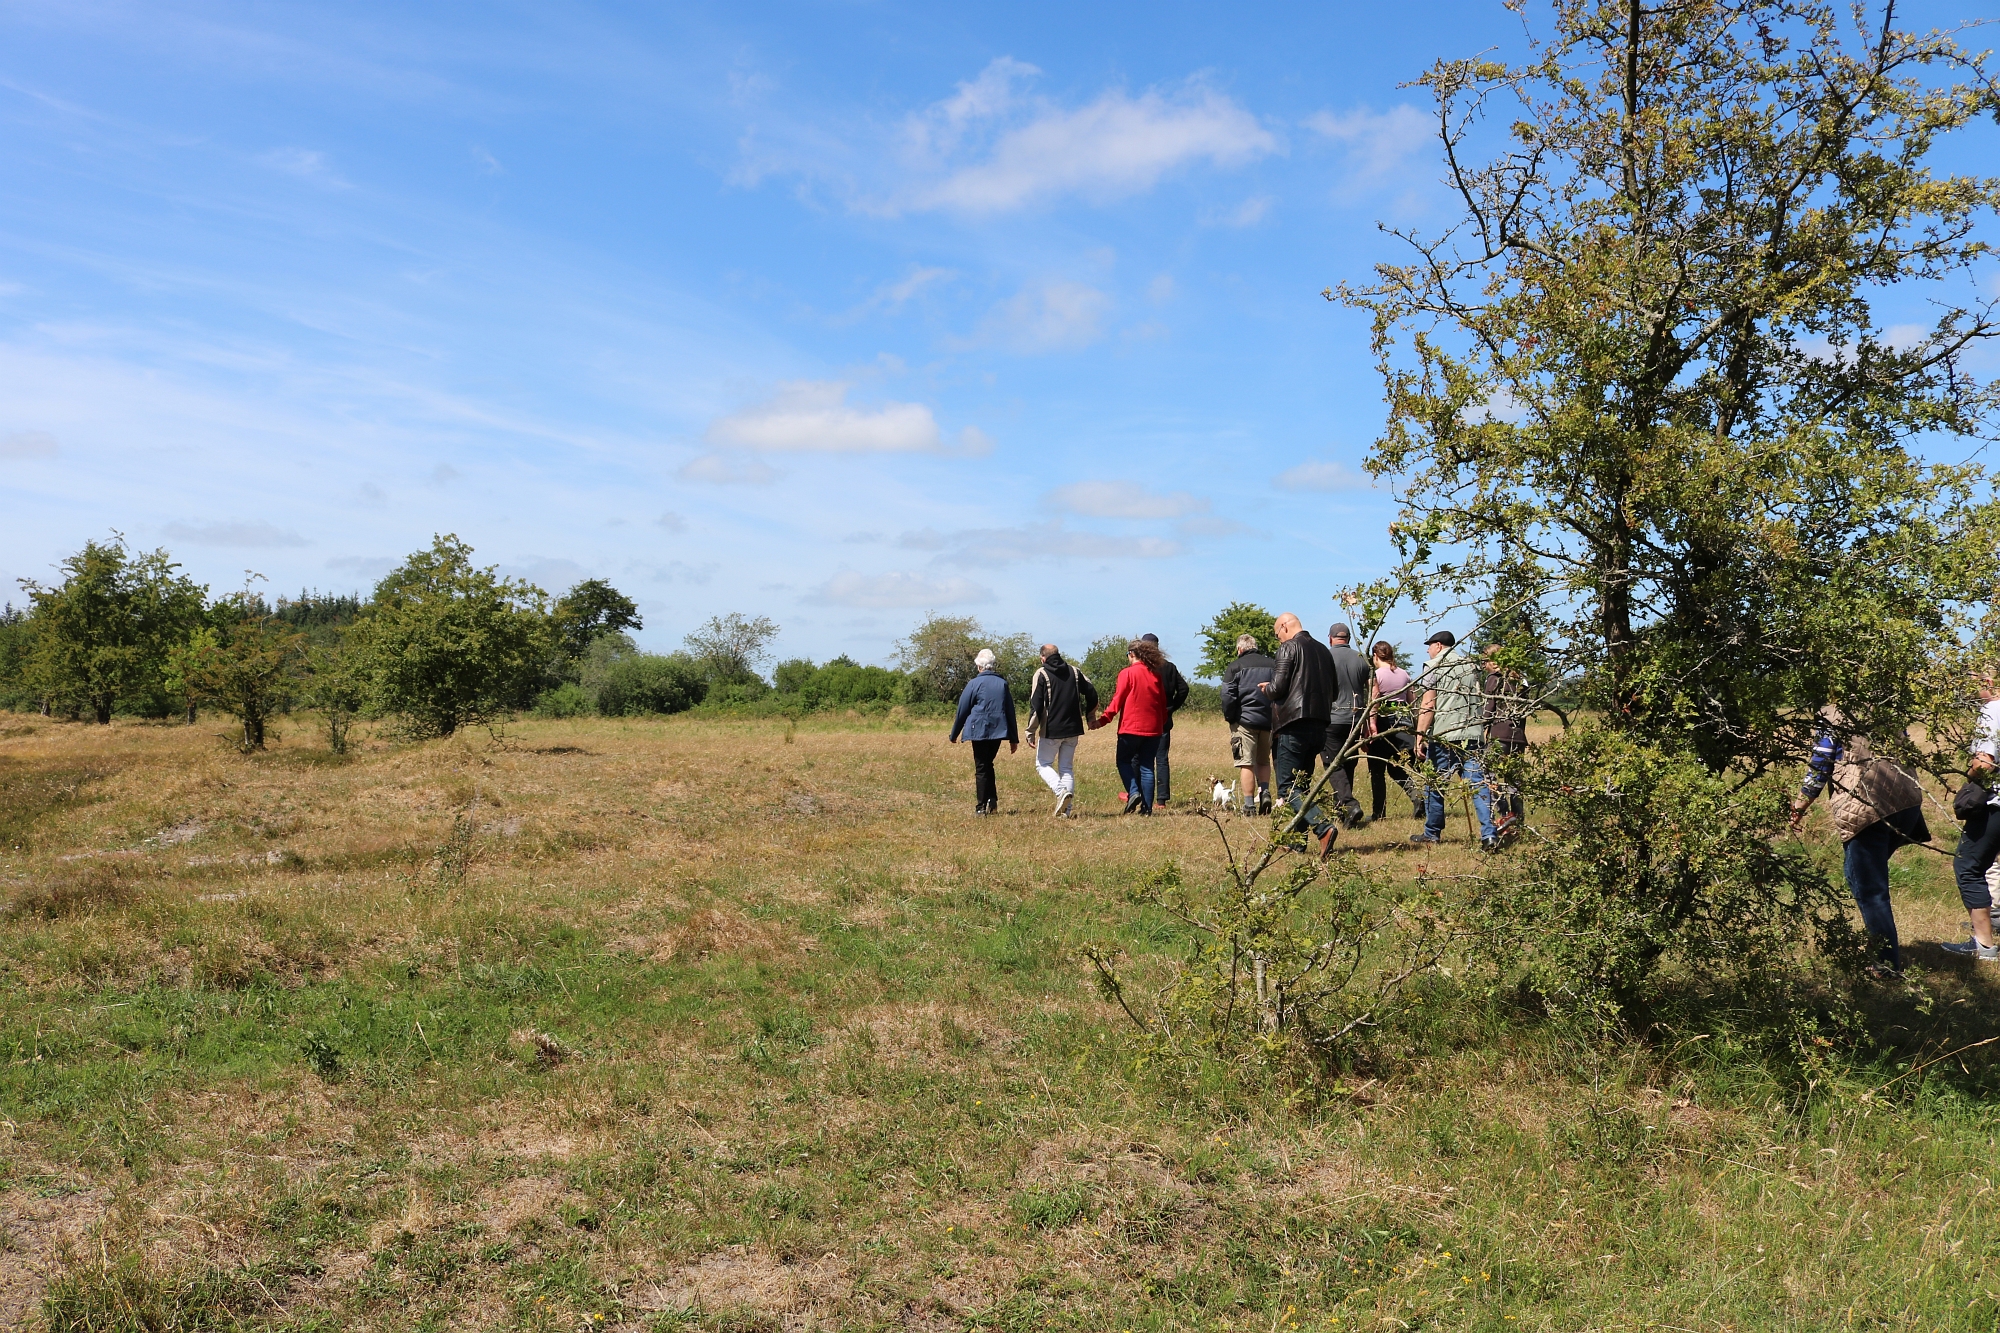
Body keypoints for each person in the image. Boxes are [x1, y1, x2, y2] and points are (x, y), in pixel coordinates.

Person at [1788, 714, 1927, 972]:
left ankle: (1886, 964)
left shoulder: (1833, 713)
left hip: (1867, 808)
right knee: (1860, 878)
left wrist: (1799, 806)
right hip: (1906, 801)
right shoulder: (1885, 700)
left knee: (1870, 889)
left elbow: (1821, 763)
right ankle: (1881, 945)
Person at [1409, 630, 1497, 850]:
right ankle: (1489, 835)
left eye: (1429, 646)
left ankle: (1432, 833)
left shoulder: (1433, 667)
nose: (1428, 651)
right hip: (1473, 734)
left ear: (1438, 646)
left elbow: (1428, 704)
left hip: (1445, 735)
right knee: (1478, 786)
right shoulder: (1471, 666)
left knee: (1435, 786)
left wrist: (1419, 736)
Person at [1261, 611, 1339, 858]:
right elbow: (1334, 691)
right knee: (1302, 786)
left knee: (1288, 788)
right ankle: (1297, 842)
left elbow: (1278, 687)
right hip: (1319, 726)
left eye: (1277, 635)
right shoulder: (1324, 652)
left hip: (1292, 724)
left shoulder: (1288, 648)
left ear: (1284, 627)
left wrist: (1267, 689)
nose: (1278, 640)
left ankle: (1323, 828)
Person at [1944, 674, 2000, 961]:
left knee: (1969, 867)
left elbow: (1985, 762)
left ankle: (1985, 945)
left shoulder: (1992, 710)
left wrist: (1970, 777)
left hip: (1995, 805)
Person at [1091, 639, 1169, 815]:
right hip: (1154, 729)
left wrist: (1102, 720)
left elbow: (1117, 701)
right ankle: (1147, 809)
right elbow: (1162, 704)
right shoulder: (1155, 675)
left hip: (1131, 728)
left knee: (1123, 761)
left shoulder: (1127, 673)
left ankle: (1133, 792)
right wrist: (1161, 723)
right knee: (1147, 766)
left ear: (1132, 654)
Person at [1025, 644, 1097, 818]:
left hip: (1051, 729)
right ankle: (1067, 811)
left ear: (1043, 657)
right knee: (1066, 768)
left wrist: (1030, 731)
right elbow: (1092, 693)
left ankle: (1060, 792)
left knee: (1043, 764)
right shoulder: (1074, 671)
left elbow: (1036, 706)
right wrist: (1090, 716)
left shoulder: (1041, 674)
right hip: (1073, 729)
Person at [948, 648, 1018, 815]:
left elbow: (962, 710)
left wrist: (954, 734)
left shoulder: (973, 684)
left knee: (981, 767)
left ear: (979, 666)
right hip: (998, 730)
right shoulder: (1003, 684)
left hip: (977, 729)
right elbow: (1010, 711)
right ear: (992, 665)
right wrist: (1013, 738)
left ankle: (980, 807)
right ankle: (991, 801)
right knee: (988, 764)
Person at [1320, 622, 1373, 828]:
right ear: (1348, 638)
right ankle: (1343, 813)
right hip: (1356, 718)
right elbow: (1372, 689)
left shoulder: (1325, 657)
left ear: (1330, 638)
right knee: (1348, 763)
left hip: (1333, 717)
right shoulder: (1362, 659)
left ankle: (1350, 805)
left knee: (1333, 765)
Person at [1364, 642, 1423, 821]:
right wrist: (1416, 728)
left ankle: (1379, 812)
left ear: (1375, 655)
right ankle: (1418, 798)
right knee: (1396, 768)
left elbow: (1374, 702)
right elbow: (1412, 702)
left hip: (1384, 722)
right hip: (1403, 722)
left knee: (1377, 769)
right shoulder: (1404, 673)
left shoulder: (1375, 675)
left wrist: (1371, 725)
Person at [1220, 633, 1276, 814]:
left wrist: (1230, 717)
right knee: (1264, 761)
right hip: (1268, 720)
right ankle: (1265, 791)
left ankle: (1249, 804)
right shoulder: (1273, 664)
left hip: (1244, 721)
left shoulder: (1235, 666)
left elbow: (1227, 695)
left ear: (1240, 649)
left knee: (1247, 763)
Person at [1480, 646, 1530, 841]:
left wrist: (1481, 726)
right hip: (1518, 736)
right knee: (1515, 782)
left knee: (1490, 777)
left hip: (1498, 734)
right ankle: (1519, 821)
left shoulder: (1495, 679)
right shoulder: (1521, 679)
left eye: (1485, 661)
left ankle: (1504, 817)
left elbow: (1488, 709)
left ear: (1492, 661)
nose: (1484, 666)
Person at [1140, 633, 1191, 805]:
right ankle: (1161, 800)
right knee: (1161, 759)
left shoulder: (1143, 668)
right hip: (1164, 719)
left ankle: (1139, 795)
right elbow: (1183, 689)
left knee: (1141, 759)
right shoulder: (1169, 667)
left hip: (1144, 719)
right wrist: (1171, 708)